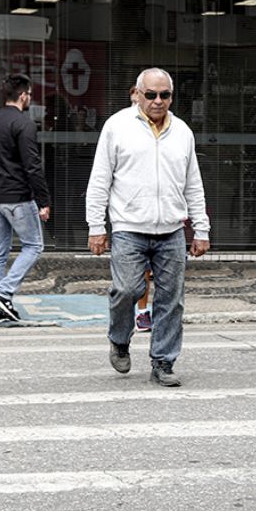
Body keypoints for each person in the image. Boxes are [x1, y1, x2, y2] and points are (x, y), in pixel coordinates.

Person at [85, 68, 210, 387]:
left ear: (171, 96)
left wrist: (201, 228)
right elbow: (100, 179)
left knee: (172, 299)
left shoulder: (182, 131)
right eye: (151, 94)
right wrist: (96, 226)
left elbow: (193, 184)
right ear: (137, 94)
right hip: (129, 228)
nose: (157, 101)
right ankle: (119, 339)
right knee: (127, 289)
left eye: (164, 95)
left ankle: (163, 362)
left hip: (171, 230)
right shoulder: (117, 127)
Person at [0, 73, 51, 324]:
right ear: (23, 95)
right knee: (33, 246)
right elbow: (32, 165)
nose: (29, 98)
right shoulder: (24, 124)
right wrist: (43, 201)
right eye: (29, 94)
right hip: (17, 196)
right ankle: (3, 293)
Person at [126, 84, 155, 333]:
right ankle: (131, 313)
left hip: (159, 215)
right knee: (131, 277)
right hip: (130, 216)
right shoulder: (121, 127)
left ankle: (143, 312)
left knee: (147, 272)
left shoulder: (168, 127)